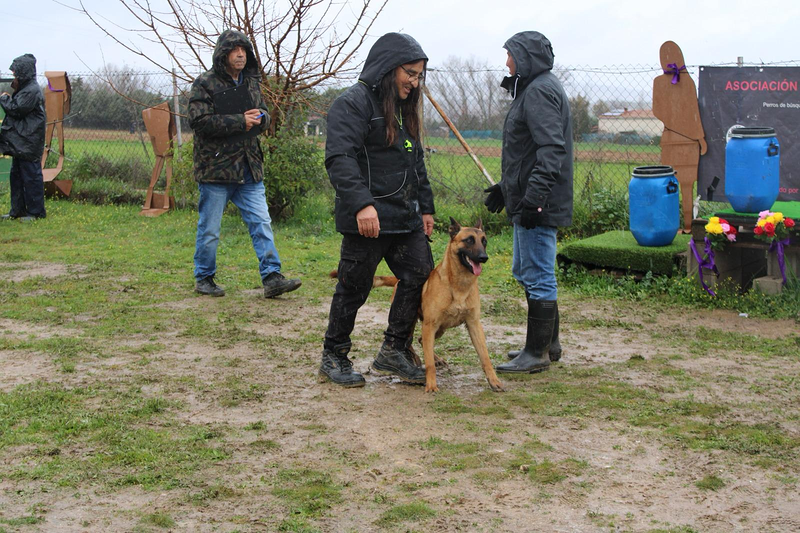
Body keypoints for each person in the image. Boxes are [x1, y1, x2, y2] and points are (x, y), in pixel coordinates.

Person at [319, 33, 435, 387]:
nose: (414, 83)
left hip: (404, 217)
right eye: (410, 74)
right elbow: (339, 159)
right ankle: (334, 355)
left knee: (420, 274)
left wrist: (426, 207)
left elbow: (416, 161)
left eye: (419, 76)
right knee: (354, 287)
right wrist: (362, 205)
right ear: (388, 68)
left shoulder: (403, 109)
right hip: (366, 219)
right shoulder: (352, 104)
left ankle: (393, 350)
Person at [483, 31, 573, 374]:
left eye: (511, 55)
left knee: (537, 275)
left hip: (539, 202)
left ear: (526, 58)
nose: (507, 62)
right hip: (528, 197)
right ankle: (548, 344)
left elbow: (551, 151)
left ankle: (536, 353)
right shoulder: (534, 89)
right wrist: (507, 188)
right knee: (526, 270)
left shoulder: (539, 91)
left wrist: (534, 199)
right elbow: (527, 153)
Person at [188, 29, 301, 298]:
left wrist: (262, 118)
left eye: (244, 50)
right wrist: (240, 120)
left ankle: (272, 277)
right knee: (210, 230)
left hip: (249, 169)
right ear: (222, 54)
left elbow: (264, 114)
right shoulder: (204, 83)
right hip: (216, 170)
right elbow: (198, 122)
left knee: (261, 223)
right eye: (234, 50)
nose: (240, 54)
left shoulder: (251, 82)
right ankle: (204, 278)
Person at [0, 54, 46, 221]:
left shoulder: (32, 91)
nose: (14, 76)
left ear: (23, 73)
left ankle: (36, 212)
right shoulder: (25, 89)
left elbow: (16, 109)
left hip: (29, 141)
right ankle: (17, 211)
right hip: (21, 142)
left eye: (15, 73)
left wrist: (4, 98)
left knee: (31, 177)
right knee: (17, 177)